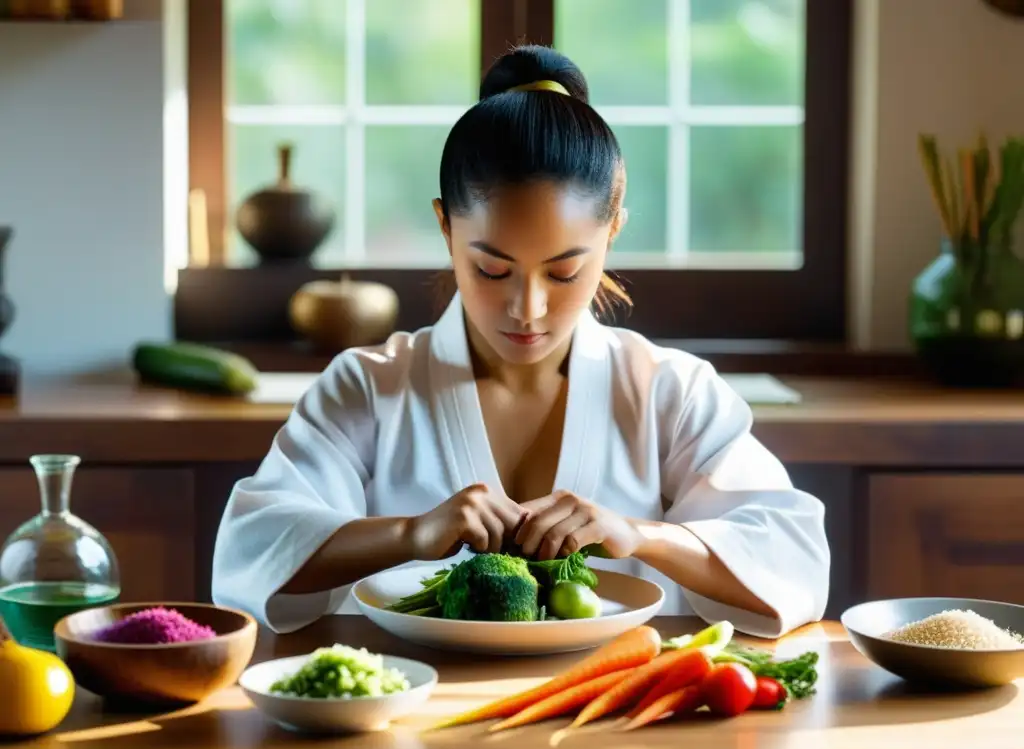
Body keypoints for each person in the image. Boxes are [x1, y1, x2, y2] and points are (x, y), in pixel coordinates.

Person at [210, 45, 830, 640]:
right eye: (492, 270)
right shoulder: (369, 386)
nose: (527, 309)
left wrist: (639, 536)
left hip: (613, 725)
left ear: (613, 231)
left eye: (563, 272)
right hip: (407, 723)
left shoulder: (669, 390)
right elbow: (252, 548)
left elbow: (793, 555)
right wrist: (411, 534)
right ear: (446, 226)